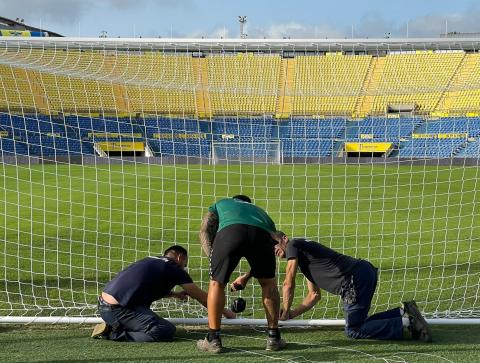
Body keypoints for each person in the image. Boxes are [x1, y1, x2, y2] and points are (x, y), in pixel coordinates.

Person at [232, 233, 432, 342]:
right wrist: (292, 313)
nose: (274, 249)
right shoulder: (304, 257)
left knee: (354, 330)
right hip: (362, 272)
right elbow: (313, 296)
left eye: (275, 244)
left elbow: (288, 282)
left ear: (284, 238)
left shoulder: (293, 244)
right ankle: (403, 313)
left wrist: (283, 308)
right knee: (359, 323)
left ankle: (407, 324)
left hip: (353, 280)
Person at [196, 195, 286, 353]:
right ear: (249, 204)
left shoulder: (222, 203)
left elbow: (204, 230)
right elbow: (276, 237)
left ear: (234, 200)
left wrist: (213, 257)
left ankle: (213, 339)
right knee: (268, 284)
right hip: (261, 235)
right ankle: (274, 338)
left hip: (229, 233)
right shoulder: (260, 212)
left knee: (217, 283)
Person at [91, 245, 235, 342]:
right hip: (118, 310)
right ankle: (113, 333)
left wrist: (174, 294)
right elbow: (202, 297)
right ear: (180, 258)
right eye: (185, 264)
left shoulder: (152, 260)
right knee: (165, 330)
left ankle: (115, 324)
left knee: (148, 312)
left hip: (105, 304)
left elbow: (144, 287)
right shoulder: (174, 268)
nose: (184, 268)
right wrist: (226, 312)